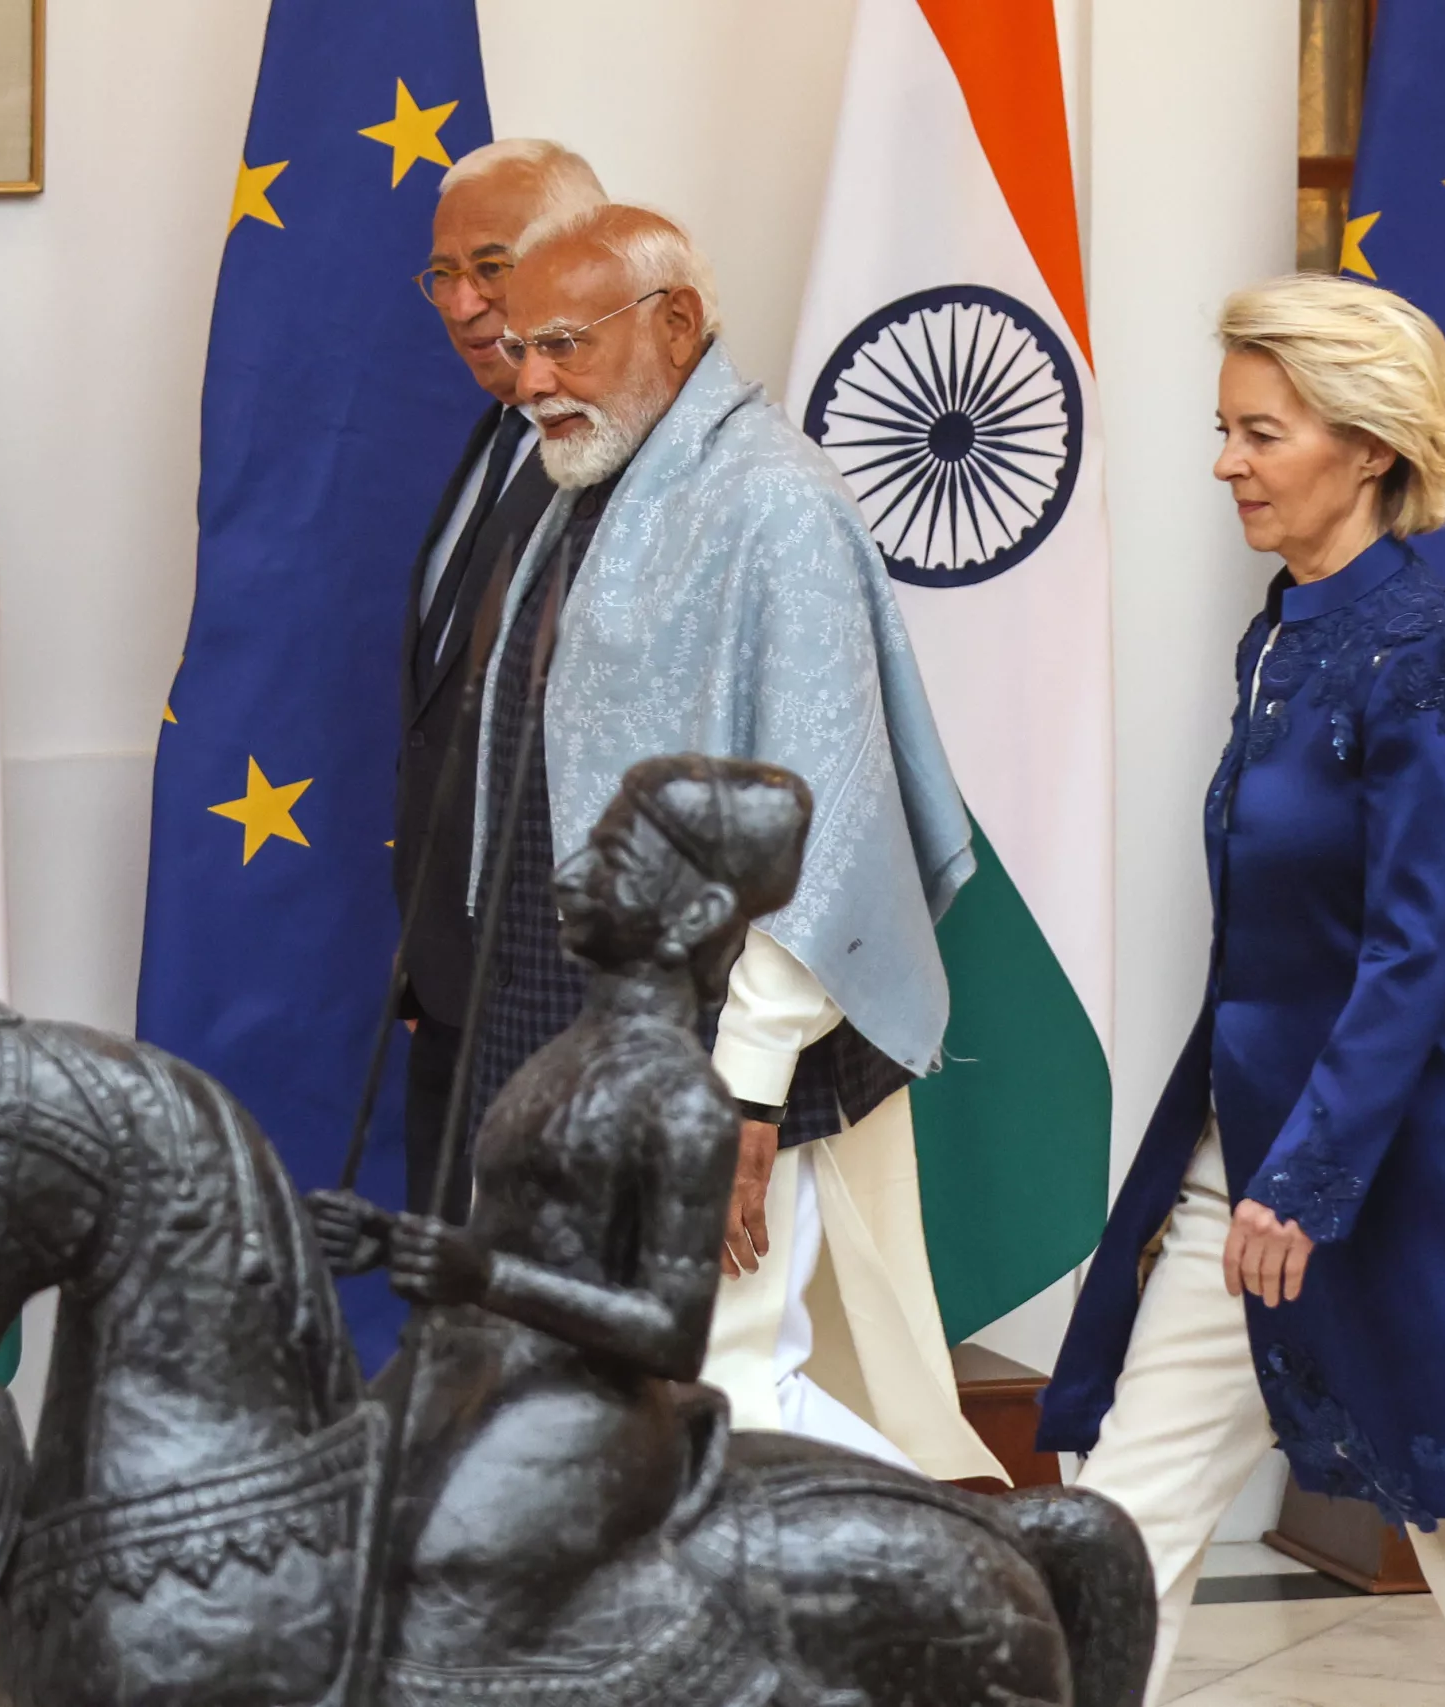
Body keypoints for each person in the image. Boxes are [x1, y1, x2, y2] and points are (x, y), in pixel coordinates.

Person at [1034, 274, 1445, 1707]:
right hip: (1236, 1164)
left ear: (1367, 449)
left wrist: (1306, 1180)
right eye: (1226, 429)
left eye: (1261, 432)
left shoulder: (1423, 654)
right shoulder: (1283, 635)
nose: (1226, 463)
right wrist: (1254, 1167)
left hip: (1387, 1176)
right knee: (1124, 1515)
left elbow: (1415, 949)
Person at [460, 202, 1003, 1483]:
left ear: (676, 325)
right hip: (577, 1036)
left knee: (714, 1393)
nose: (529, 382)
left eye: (563, 344)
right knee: (584, 1393)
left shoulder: (773, 506)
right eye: (520, 348)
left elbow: (820, 826)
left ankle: (948, 1583)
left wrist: (744, 1087)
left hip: (710, 1059)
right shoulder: (593, 479)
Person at [314, 756, 805, 1693]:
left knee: (427, 1599)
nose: (570, 873)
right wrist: (387, 1241)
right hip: (477, 1373)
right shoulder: (566, 1053)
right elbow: (525, 1232)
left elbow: (672, 1332)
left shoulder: (682, 1097)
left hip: (582, 1415)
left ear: (696, 913)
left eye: (611, 858)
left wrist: (483, 1276)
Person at [393, 139, 603, 1224]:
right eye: (442, 275)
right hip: (453, 992)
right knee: (451, 1299)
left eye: (491, 267)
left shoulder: (622, 462)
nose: (461, 304)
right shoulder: (497, 434)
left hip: (557, 1002)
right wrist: (425, 955)